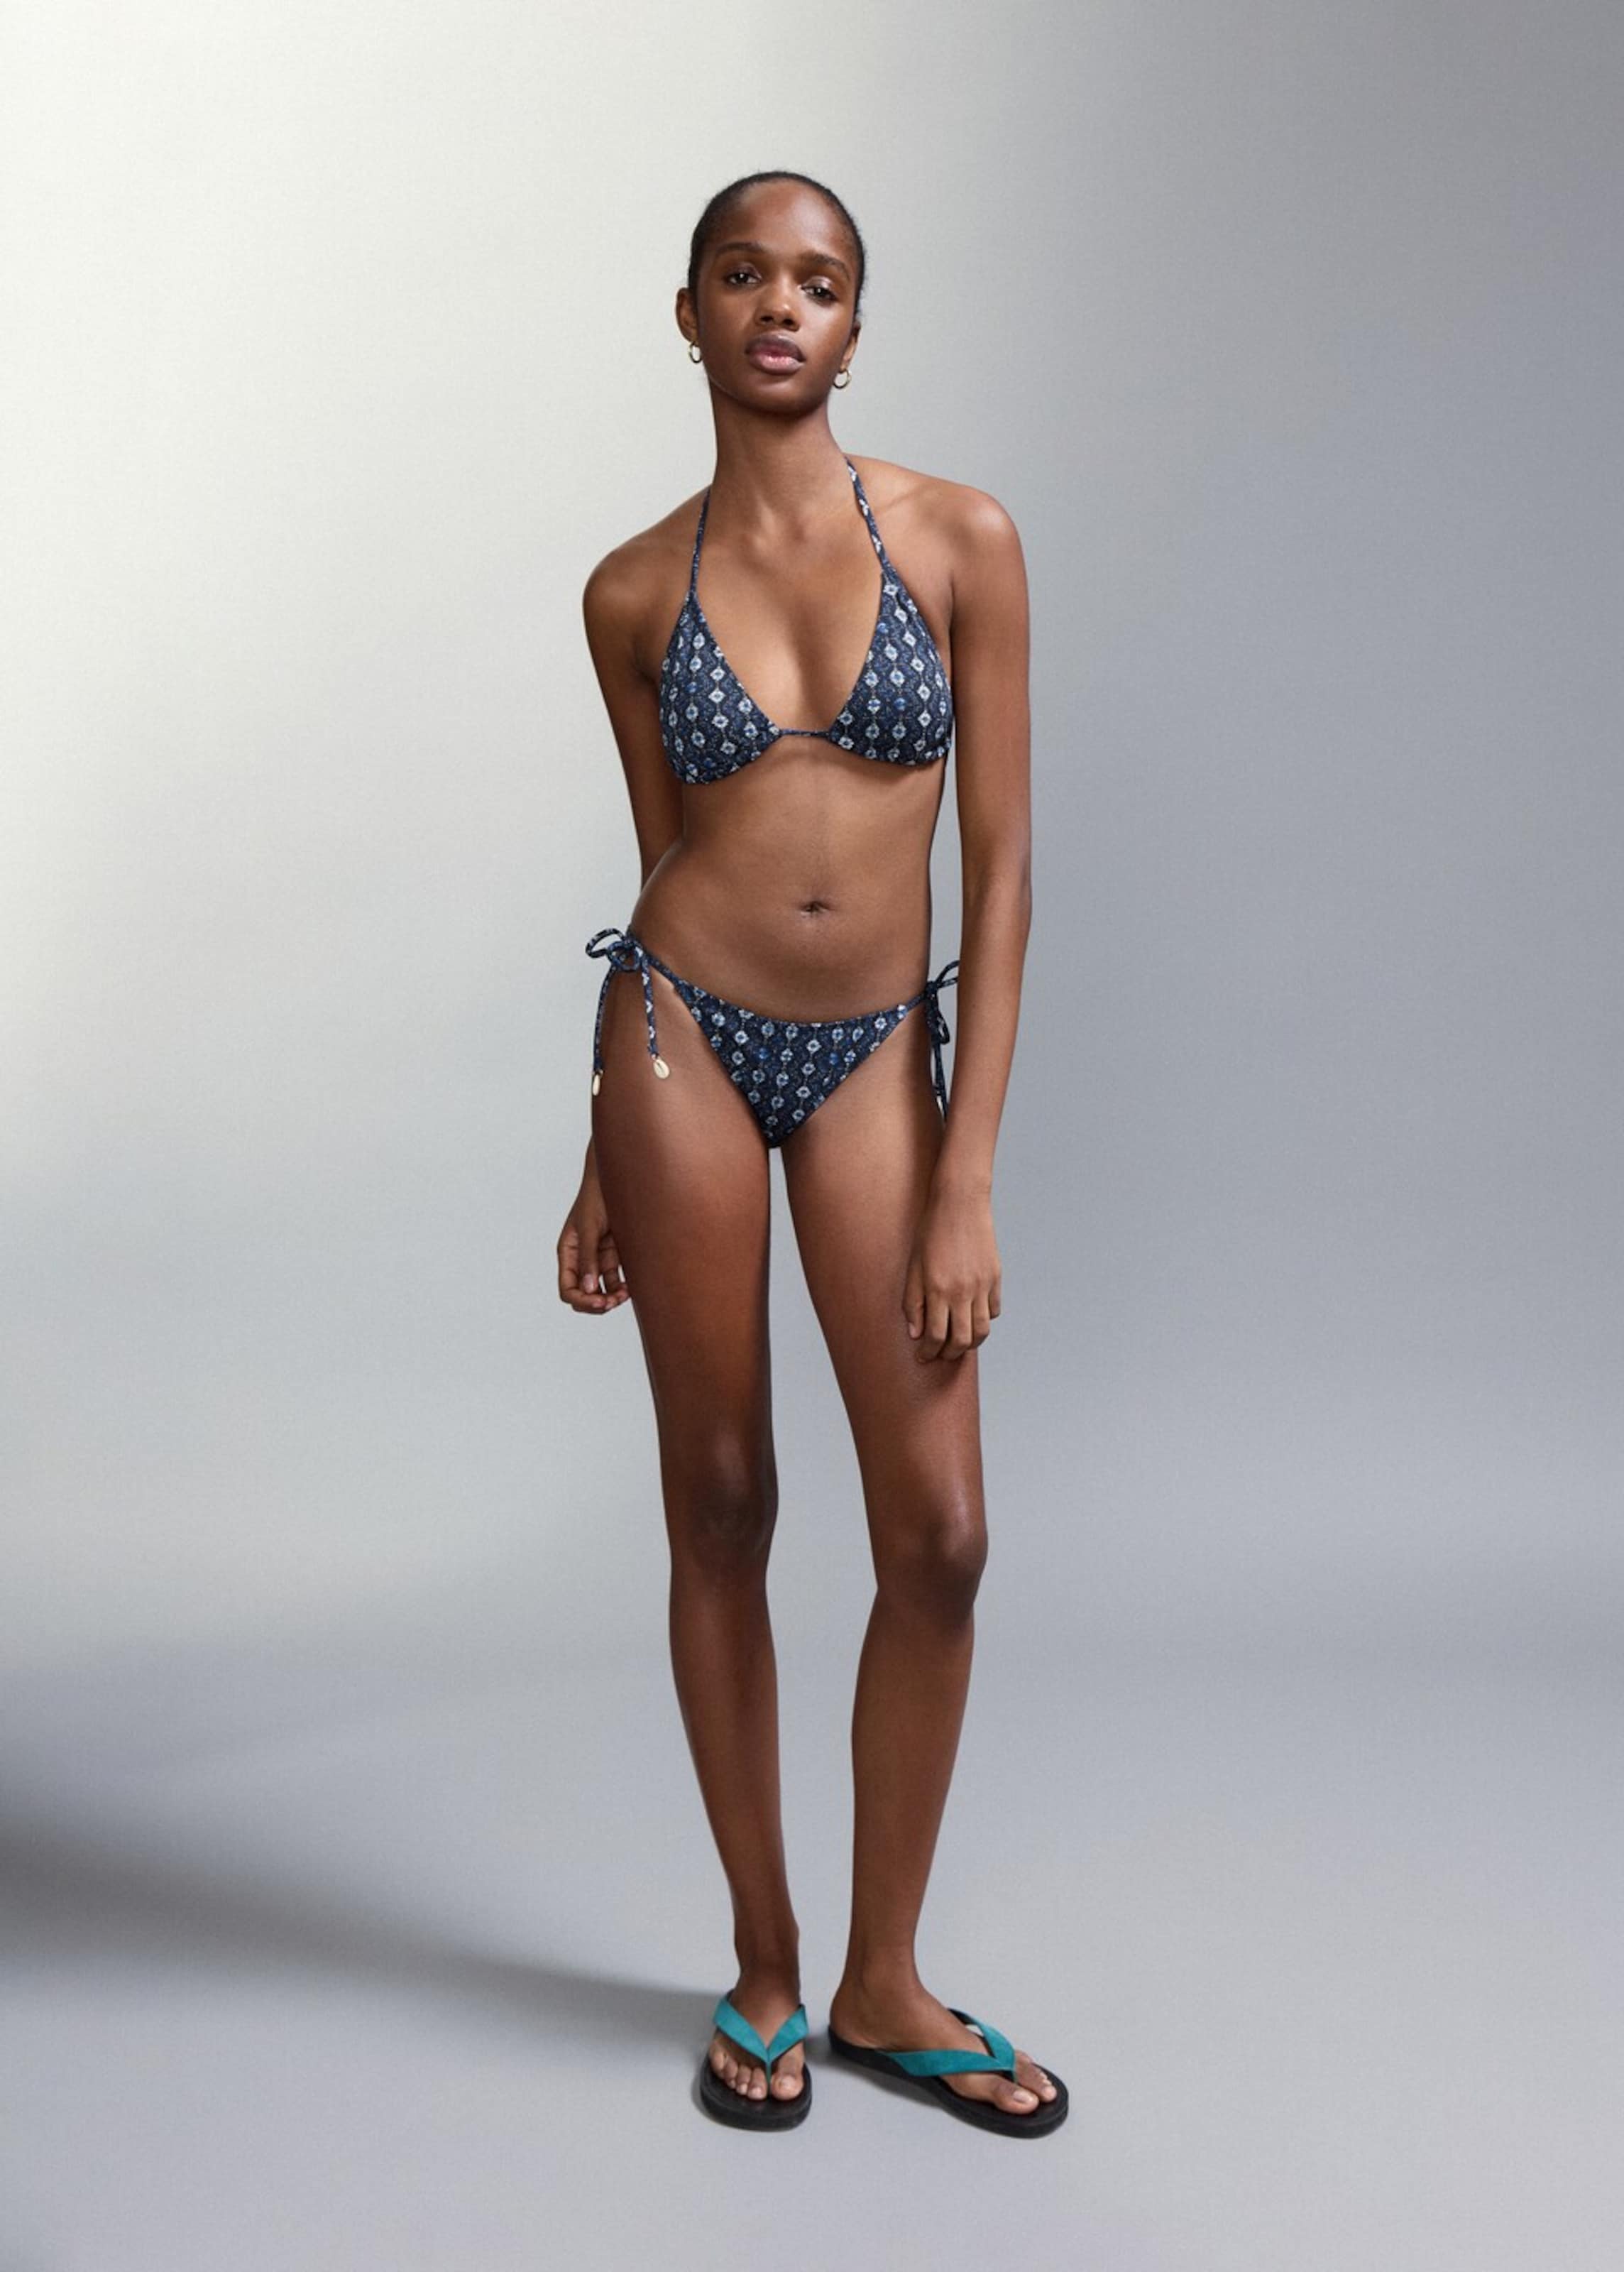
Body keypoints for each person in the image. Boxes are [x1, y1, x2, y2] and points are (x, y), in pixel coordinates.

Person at [556, 170, 1063, 2136]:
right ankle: (770, 1965)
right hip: (676, 1038)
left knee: (939, 1534)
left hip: (876, 1062)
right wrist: (599, 1148)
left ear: (857, 326)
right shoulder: (630, 594)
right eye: (745, 274)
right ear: (690, 313)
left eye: (821, 280)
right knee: (722, 1504)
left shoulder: (961, 540)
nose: (783, 304)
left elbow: (1002, 880)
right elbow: (663, 858)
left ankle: (886, 1980)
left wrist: (966, 1172)